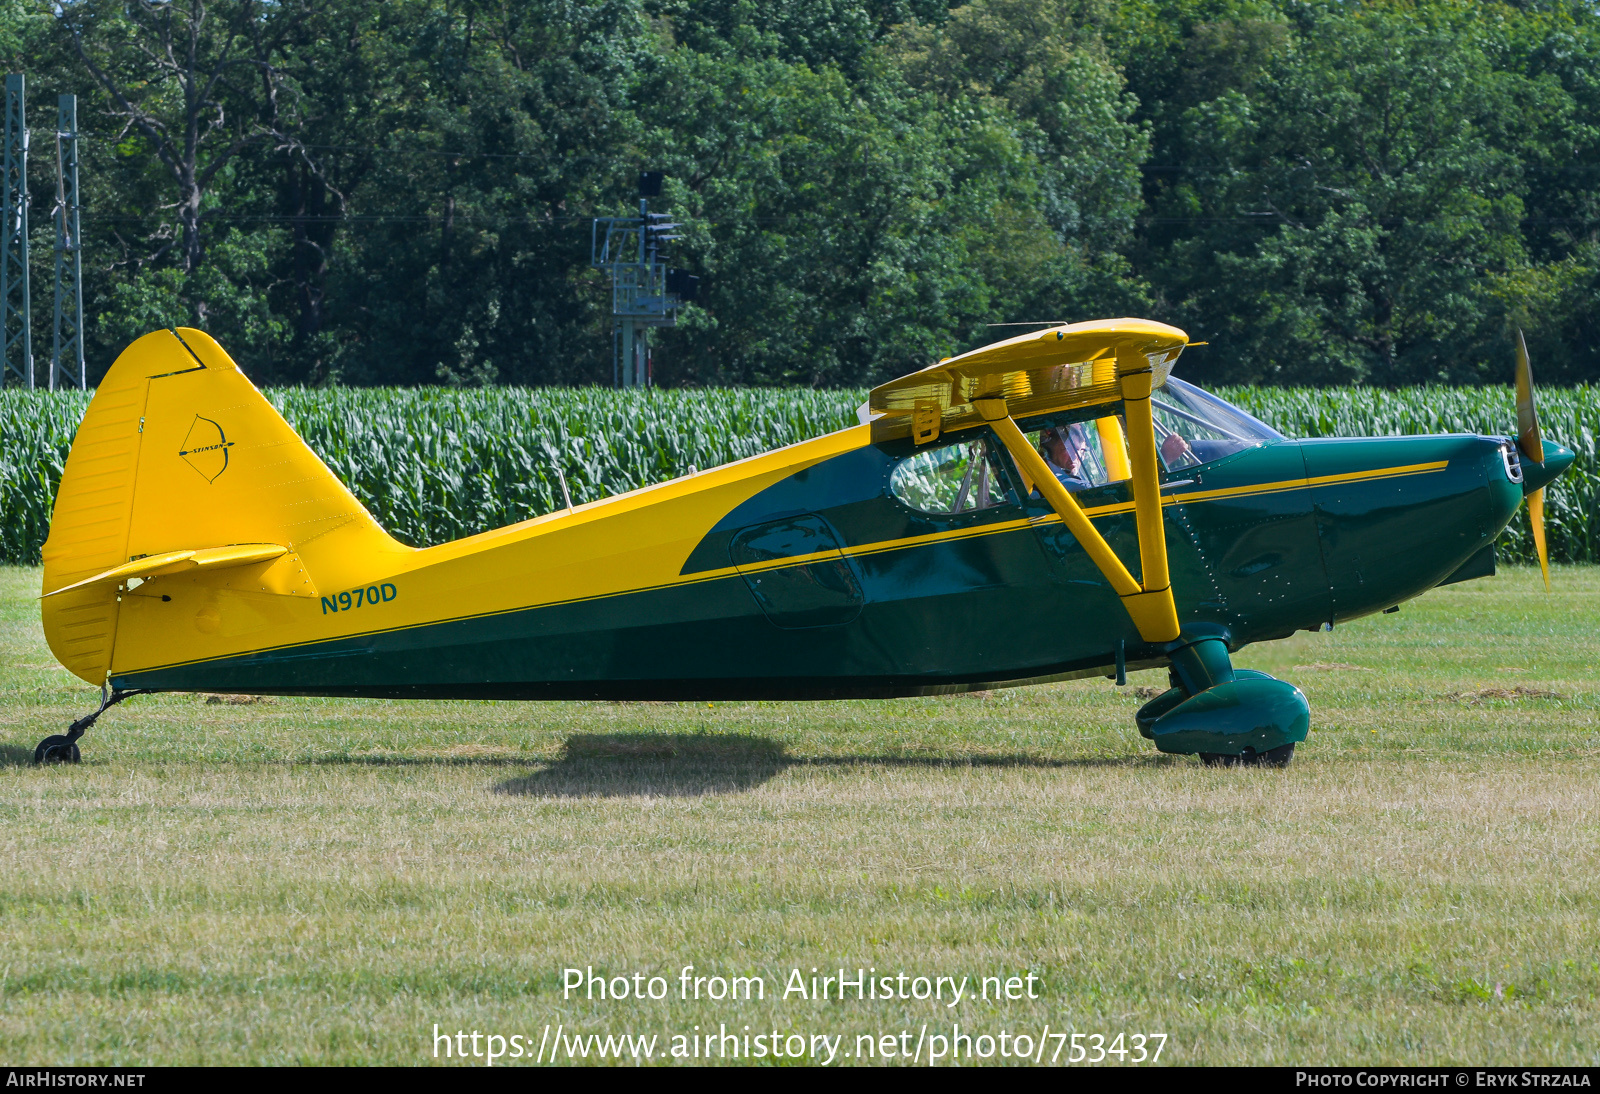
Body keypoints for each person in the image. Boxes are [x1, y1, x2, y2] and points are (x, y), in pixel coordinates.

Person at [1039, 424, 1092, 491]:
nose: (1076, 456)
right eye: (1067, 449)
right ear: (1050, 452)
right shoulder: (1063, 483)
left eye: (1081, 450)